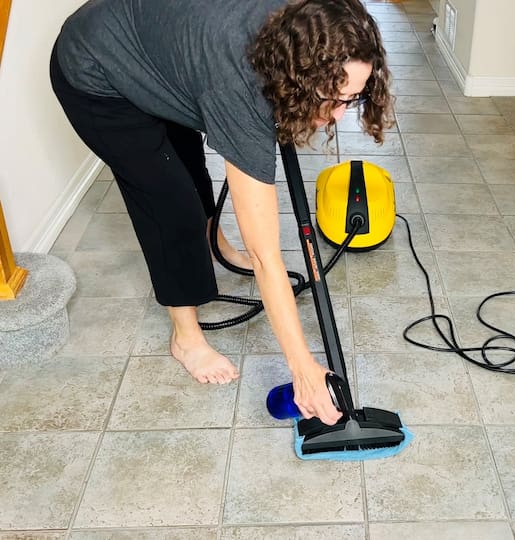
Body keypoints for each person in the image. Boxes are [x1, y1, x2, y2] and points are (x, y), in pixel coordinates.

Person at [50, 0, 393, 426]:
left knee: (190, 162)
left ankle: (216, 245)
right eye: (333, 98)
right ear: (301, 76)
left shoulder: (305, 26)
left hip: (160, 49)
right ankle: (186, 336)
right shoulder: (238, 87)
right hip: (95, 68)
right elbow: (266, 253)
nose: (339, 114)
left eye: (354, 98)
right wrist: (303, 369)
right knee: (169, 201)